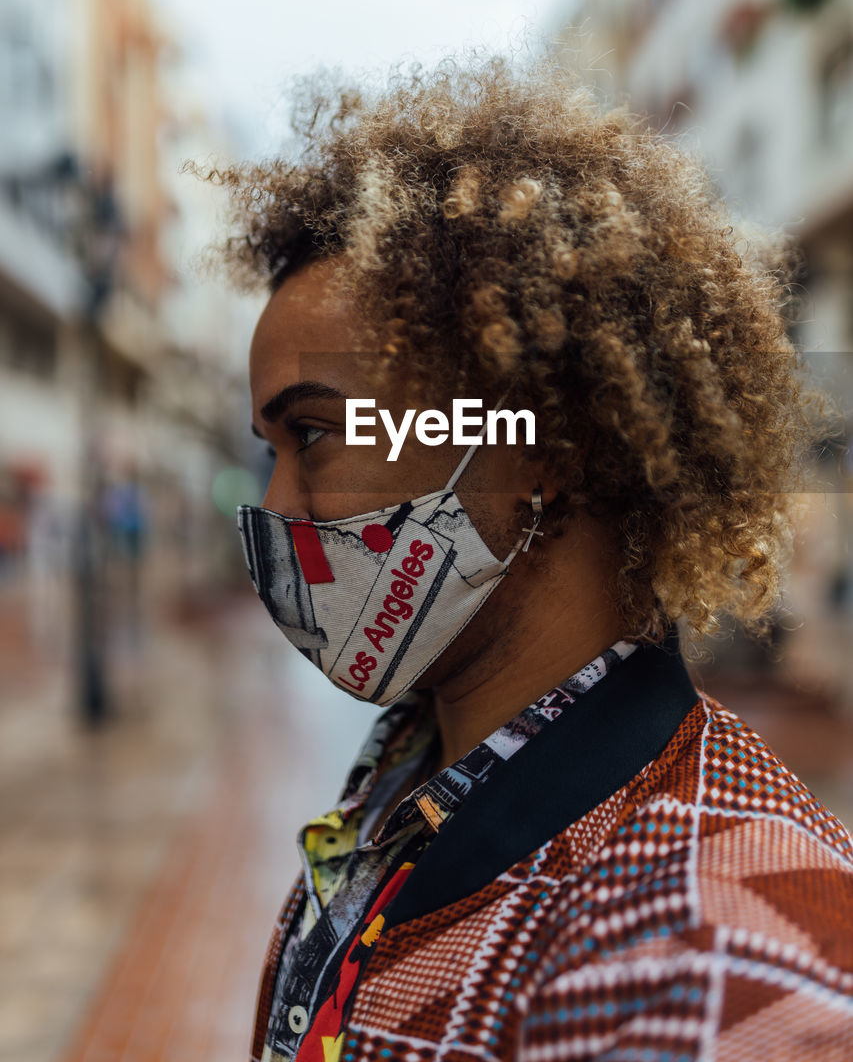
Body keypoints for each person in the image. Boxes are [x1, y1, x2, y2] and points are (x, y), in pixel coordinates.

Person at [212, 57, 853, 1061]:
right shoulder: (415, 775)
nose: (274, 505)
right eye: (268, 449)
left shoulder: (709, 974)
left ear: (542, 438)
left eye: (314, 435)